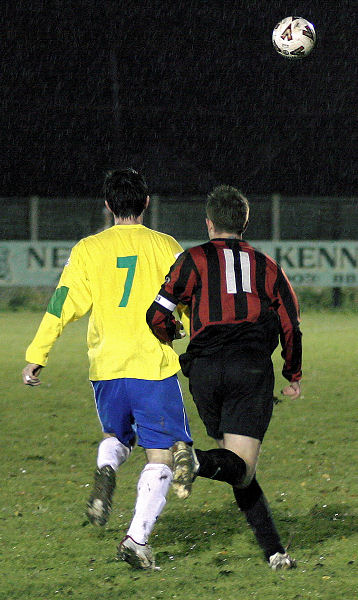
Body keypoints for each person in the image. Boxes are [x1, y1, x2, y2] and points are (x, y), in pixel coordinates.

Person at [22, 167, 194, 570]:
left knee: (116, 435)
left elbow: (62, 303)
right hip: (152, 365)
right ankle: (136, 538)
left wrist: (38, 352)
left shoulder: (88, 249)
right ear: (146, 202)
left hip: (106, 367)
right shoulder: (166, 246)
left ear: (107, 205)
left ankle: (106, 466)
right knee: (161, 458)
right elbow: (189, 298)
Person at [146, 184, 302, 570]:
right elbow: (291, 322)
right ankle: (194, 461)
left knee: (235, 467)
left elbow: (156, 314)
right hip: (248, 367)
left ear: (209, 223)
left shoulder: (192, 259)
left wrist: (173, 334)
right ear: (245, 223)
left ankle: (274, 552)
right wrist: (292, 371)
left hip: (204, 370)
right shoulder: (266, 265)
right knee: (240, 467)